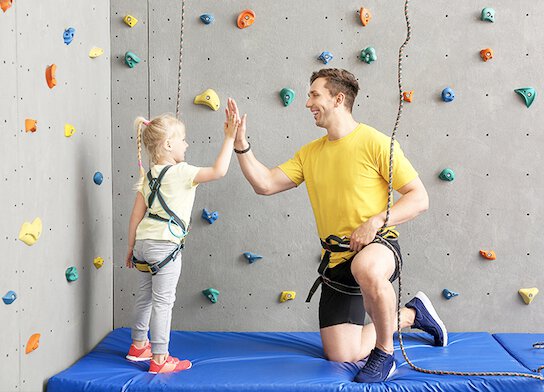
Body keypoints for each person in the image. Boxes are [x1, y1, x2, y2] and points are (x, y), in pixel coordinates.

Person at [229, 68, 448, 383]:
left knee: (368, 268)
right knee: (342, 354)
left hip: (378, 246)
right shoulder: (310, 154)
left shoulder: (375, 142)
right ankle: (412, 315)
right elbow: (265, 184)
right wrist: (241, 145)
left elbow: (419, 197)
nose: (308, 103)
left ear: (338, 98)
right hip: (336, 261)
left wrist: (375, 222)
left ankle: (386, 355)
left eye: (314, 95)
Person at [124, 110, 238, 374]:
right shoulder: (183, 172)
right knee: (163, 302)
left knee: (144, 297)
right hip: (165, 247)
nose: (187, 144)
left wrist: (130, 248)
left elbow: (135, 216)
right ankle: (160, 359)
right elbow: (219, 170)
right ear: (167, 144)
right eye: (183, 139)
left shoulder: (149, 176)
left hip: (143, 244)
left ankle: (139, 345)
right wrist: (229, 137)